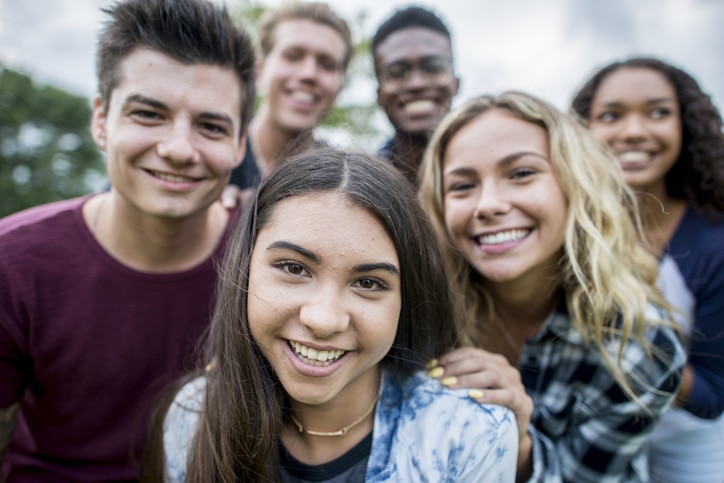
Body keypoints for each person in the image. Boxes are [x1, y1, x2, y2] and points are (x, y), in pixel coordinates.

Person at [0, 0, 255, 479]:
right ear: (101, 119)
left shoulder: (268, 261)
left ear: (240, 144)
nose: (179, 149)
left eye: (210, 126)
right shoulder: (12, 265)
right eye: (149, 114)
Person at [157, 148, 519, 482]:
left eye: (369, 283)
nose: (324, 319)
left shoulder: (471, 435)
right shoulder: (193, 417)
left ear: (407, 300)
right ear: (244, 269)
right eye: (294, 268)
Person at [418, 91, 686, 482]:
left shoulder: (640, 347)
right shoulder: (417, 314)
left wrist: (519, 444)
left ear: (574, 185)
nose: (488, 204)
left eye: (521, 173)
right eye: (462, 186)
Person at [571, 57, 724, 482]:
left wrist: (627, 341)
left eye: (658, 112)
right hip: (589, 451)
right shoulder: (569, 233)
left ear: (686, 127)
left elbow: (713, 396)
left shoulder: (715, 242)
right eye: (611, 115)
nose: (634, 131)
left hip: (690, 459)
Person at [223, 1, 352, 204]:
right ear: (259, 70)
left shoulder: (347, 180)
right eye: (292, 56)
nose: (309, 74)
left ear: (340, 89)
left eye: (327, 64)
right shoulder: (216, 159)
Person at [372, 5, 460, 186]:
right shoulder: (362, 188)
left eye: (433, 67)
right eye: (396, 72)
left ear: (455, 83)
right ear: (379, 94)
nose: (416, 83)